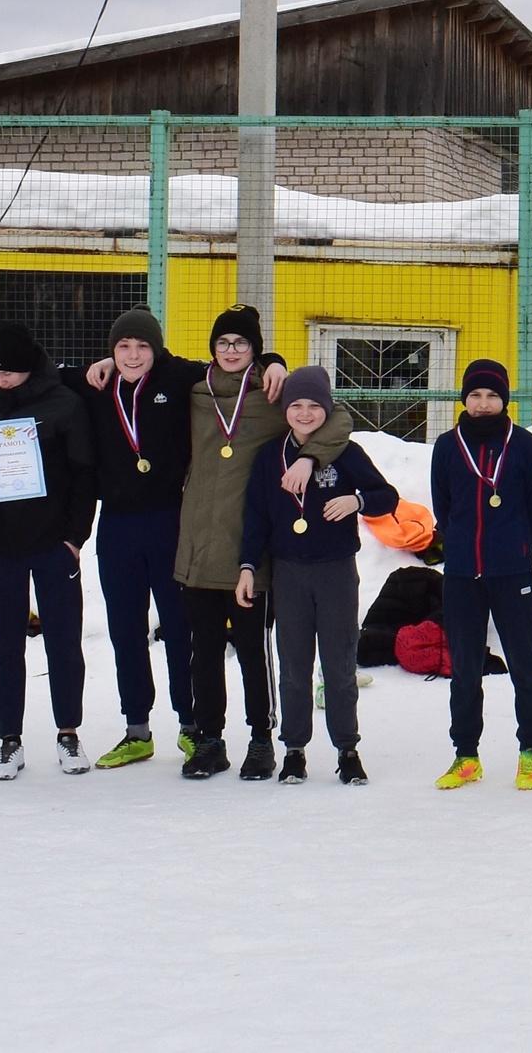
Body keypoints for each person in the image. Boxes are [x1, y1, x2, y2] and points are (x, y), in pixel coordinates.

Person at [71, 306, 284, 769]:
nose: (132, 355)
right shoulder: (98, 384)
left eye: (142, 346)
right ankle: (137, 729)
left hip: (172, 523)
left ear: (158, 348)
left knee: (182, 633)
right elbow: (33, 372)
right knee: (126, 631)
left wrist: (275, 361)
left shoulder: (182, 377)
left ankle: (193, 727)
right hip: (119, 526)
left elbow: (243, 362)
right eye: (123, 346)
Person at [236, 367, 397, 785]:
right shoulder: (271, 456)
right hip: (289, 573)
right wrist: (248, 566)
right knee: (294, 665)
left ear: (327, 409)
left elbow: (386, 496)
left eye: (314, 406)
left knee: (339, 664)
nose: (305, 414)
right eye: (296, 405)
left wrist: (357, 500)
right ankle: (294, 749)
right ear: (285, 410)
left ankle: (347, 749)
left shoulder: (345, 452)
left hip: (335, 572)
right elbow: (256, 517)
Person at [174, 305, 312, 782]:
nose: (231, 351)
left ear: (255, 350)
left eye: (242, 343)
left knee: (254, 651)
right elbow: (145, 367)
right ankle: (210, 741)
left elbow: (330, 419)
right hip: (198, 549)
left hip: (248, 555)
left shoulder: (275, 395)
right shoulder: (195, 392)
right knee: (204, 653)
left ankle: (261, 740)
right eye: (223, 342)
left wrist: (310, 457)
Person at [0, 324, 98, 780]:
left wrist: (74, 538)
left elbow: (84, 474)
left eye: (8, 374)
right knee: (4, 644)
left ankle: (68, 733)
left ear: (29, 368)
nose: (0, 381)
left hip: (54, 543)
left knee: (63, 641)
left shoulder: (64, 404)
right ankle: (9, 740)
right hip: (1, 543)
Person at [431, 358, 532, 790]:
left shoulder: (525, 445)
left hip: (511, 570)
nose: (483, 403)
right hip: (463, 573)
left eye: (492, 395)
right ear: (464, 399)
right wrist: (461, 547)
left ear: (505, 399)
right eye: (475, 395)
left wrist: (517, 546)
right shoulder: (447, 445)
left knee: (524, 663)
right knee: (464, 668)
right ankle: (466, 755)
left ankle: (531, 751)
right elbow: (443, 505)